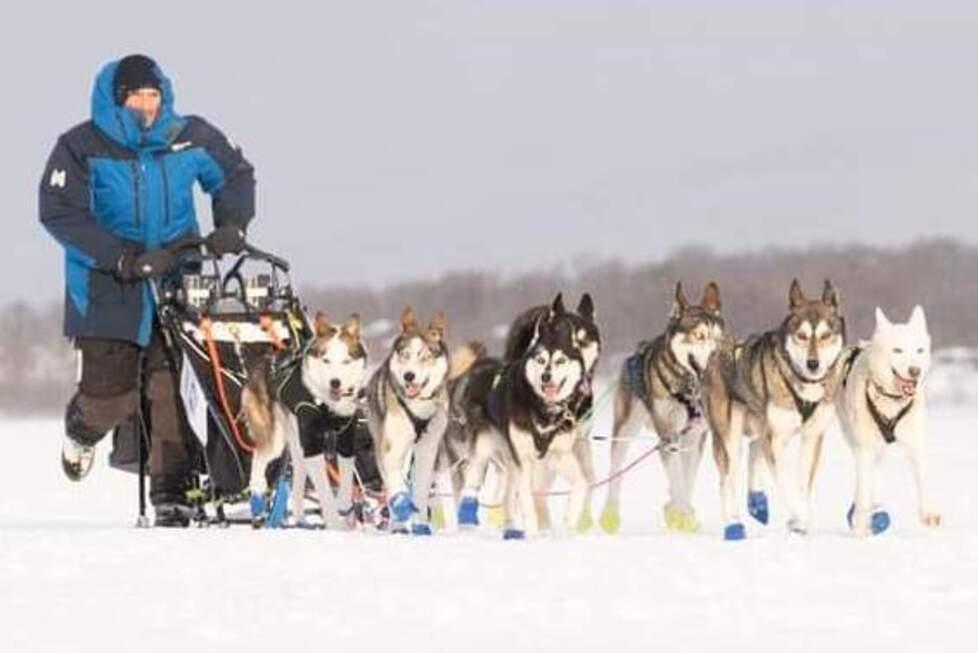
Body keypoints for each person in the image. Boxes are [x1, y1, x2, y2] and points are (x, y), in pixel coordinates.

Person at [39, 54, 255, 526]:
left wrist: (231, 224)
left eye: (153, 95)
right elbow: (58, 210)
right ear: (116, 101)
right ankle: (81, 431)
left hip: (179, 277)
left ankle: (171, 492)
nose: (146, 105)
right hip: (107, 284)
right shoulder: (80, 146)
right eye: (136, 96)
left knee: (172, 386)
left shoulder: (188, 135)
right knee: (109, 398)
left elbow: (235, 173)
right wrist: (122, 257)